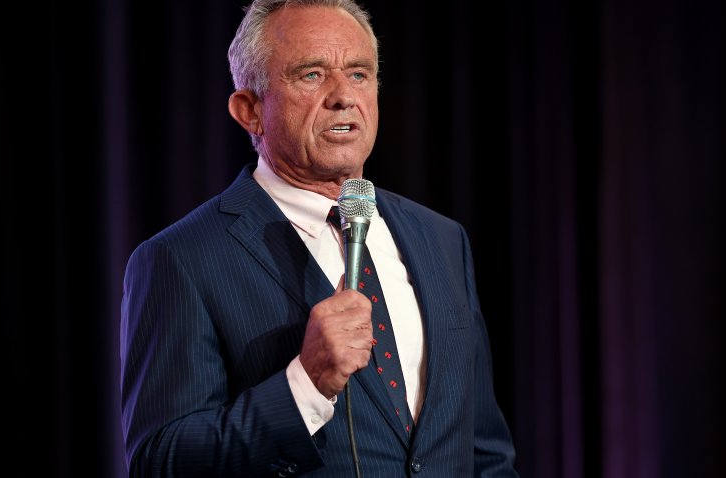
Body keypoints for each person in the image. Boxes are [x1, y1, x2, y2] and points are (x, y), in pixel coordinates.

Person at [119, 0, 519, 476]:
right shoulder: (180, 259)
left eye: (359, 74)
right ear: (250, 110)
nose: (343, 96)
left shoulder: (442, 239)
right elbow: (159, 460)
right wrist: (304, 385)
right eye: (311, 75)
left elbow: (484, 450)